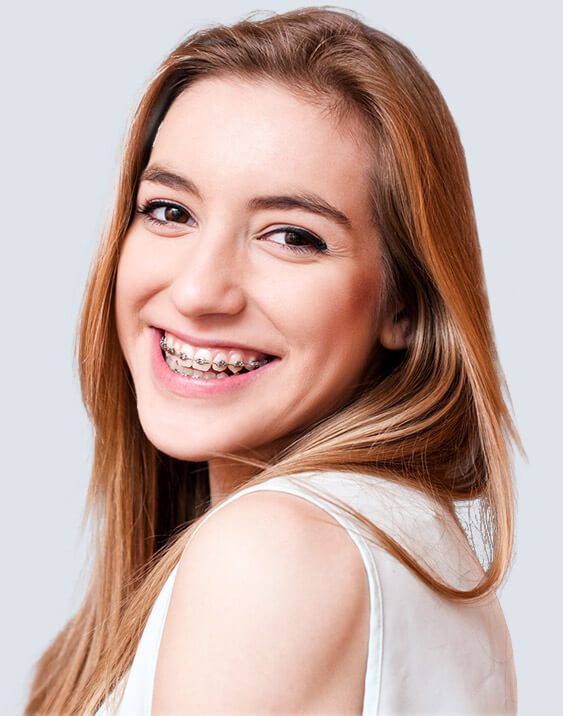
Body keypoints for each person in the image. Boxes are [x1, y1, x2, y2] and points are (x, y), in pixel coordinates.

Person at [25, 6, 520, 715]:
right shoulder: (392, 542)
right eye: (170, 211)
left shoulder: (273, 553)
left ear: (403, 304)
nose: (197, 291)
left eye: (290, 235)